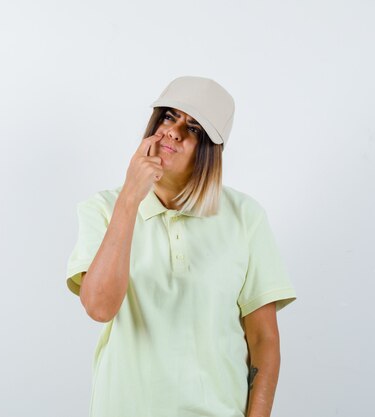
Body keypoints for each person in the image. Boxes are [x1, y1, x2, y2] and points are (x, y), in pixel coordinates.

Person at [65, 75, 297, 417]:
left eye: (195, 128)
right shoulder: (102, 209)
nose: (174, 131)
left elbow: (263, 340)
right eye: (169, 116)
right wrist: (130, 198)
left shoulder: (245, 217)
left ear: (210, 151)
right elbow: (99, 306)